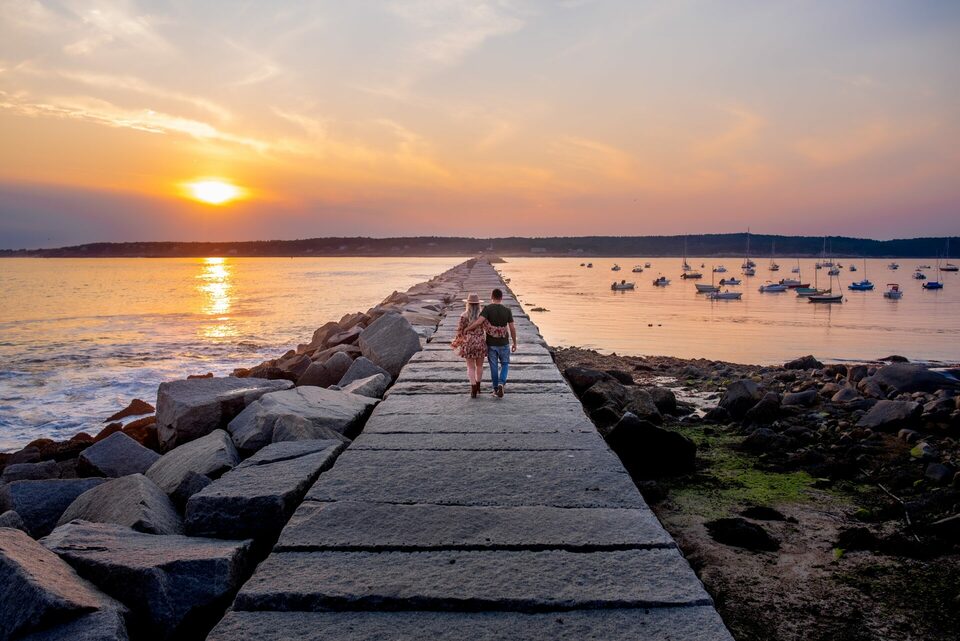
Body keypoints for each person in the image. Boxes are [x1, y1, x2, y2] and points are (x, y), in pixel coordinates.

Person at [450, 293, 507, 398]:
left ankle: (473, 388)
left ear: (468, 304)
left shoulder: (464, 315)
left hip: (468, 343)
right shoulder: (482, 315)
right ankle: (478, 386)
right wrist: (501, 331)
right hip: (480, 342)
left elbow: (460, 331)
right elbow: (489, 329)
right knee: (479, 366)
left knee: (470, 367)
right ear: (478, 304)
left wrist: (457, 342)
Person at [468, 288, 517, 398]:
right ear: (501, 298)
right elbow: (512, 328)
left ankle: (495, 389)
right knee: (505, 364)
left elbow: (479, 322)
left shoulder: (487, 309)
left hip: (491, 344)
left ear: (491, 297)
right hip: (504, 343)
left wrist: (467, 329)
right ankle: (501, 383)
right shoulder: (507, 310)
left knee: (493, 366)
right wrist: (514, 343)